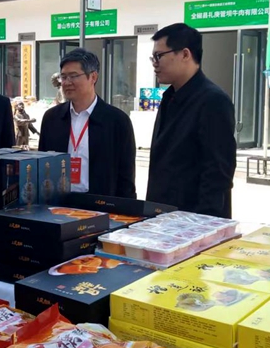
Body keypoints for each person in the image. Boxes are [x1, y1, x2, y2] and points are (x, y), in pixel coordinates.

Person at [146, 23, 236, 218]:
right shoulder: (169, 97)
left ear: (185, 54)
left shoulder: (213, 101)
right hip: (162, 216)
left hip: (193, 221)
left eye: (159, 56)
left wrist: (203, 223)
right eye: (153, 57)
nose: (155, 63)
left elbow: (218, 173)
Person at [38, 49, 136, 198]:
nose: (67, 82)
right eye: (63, 77)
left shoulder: (116, 121)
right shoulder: (52, 118)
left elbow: (126, 176)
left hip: (99, 204)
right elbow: (42, 166)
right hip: (58, 202)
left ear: (93, 77)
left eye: (73, 76)